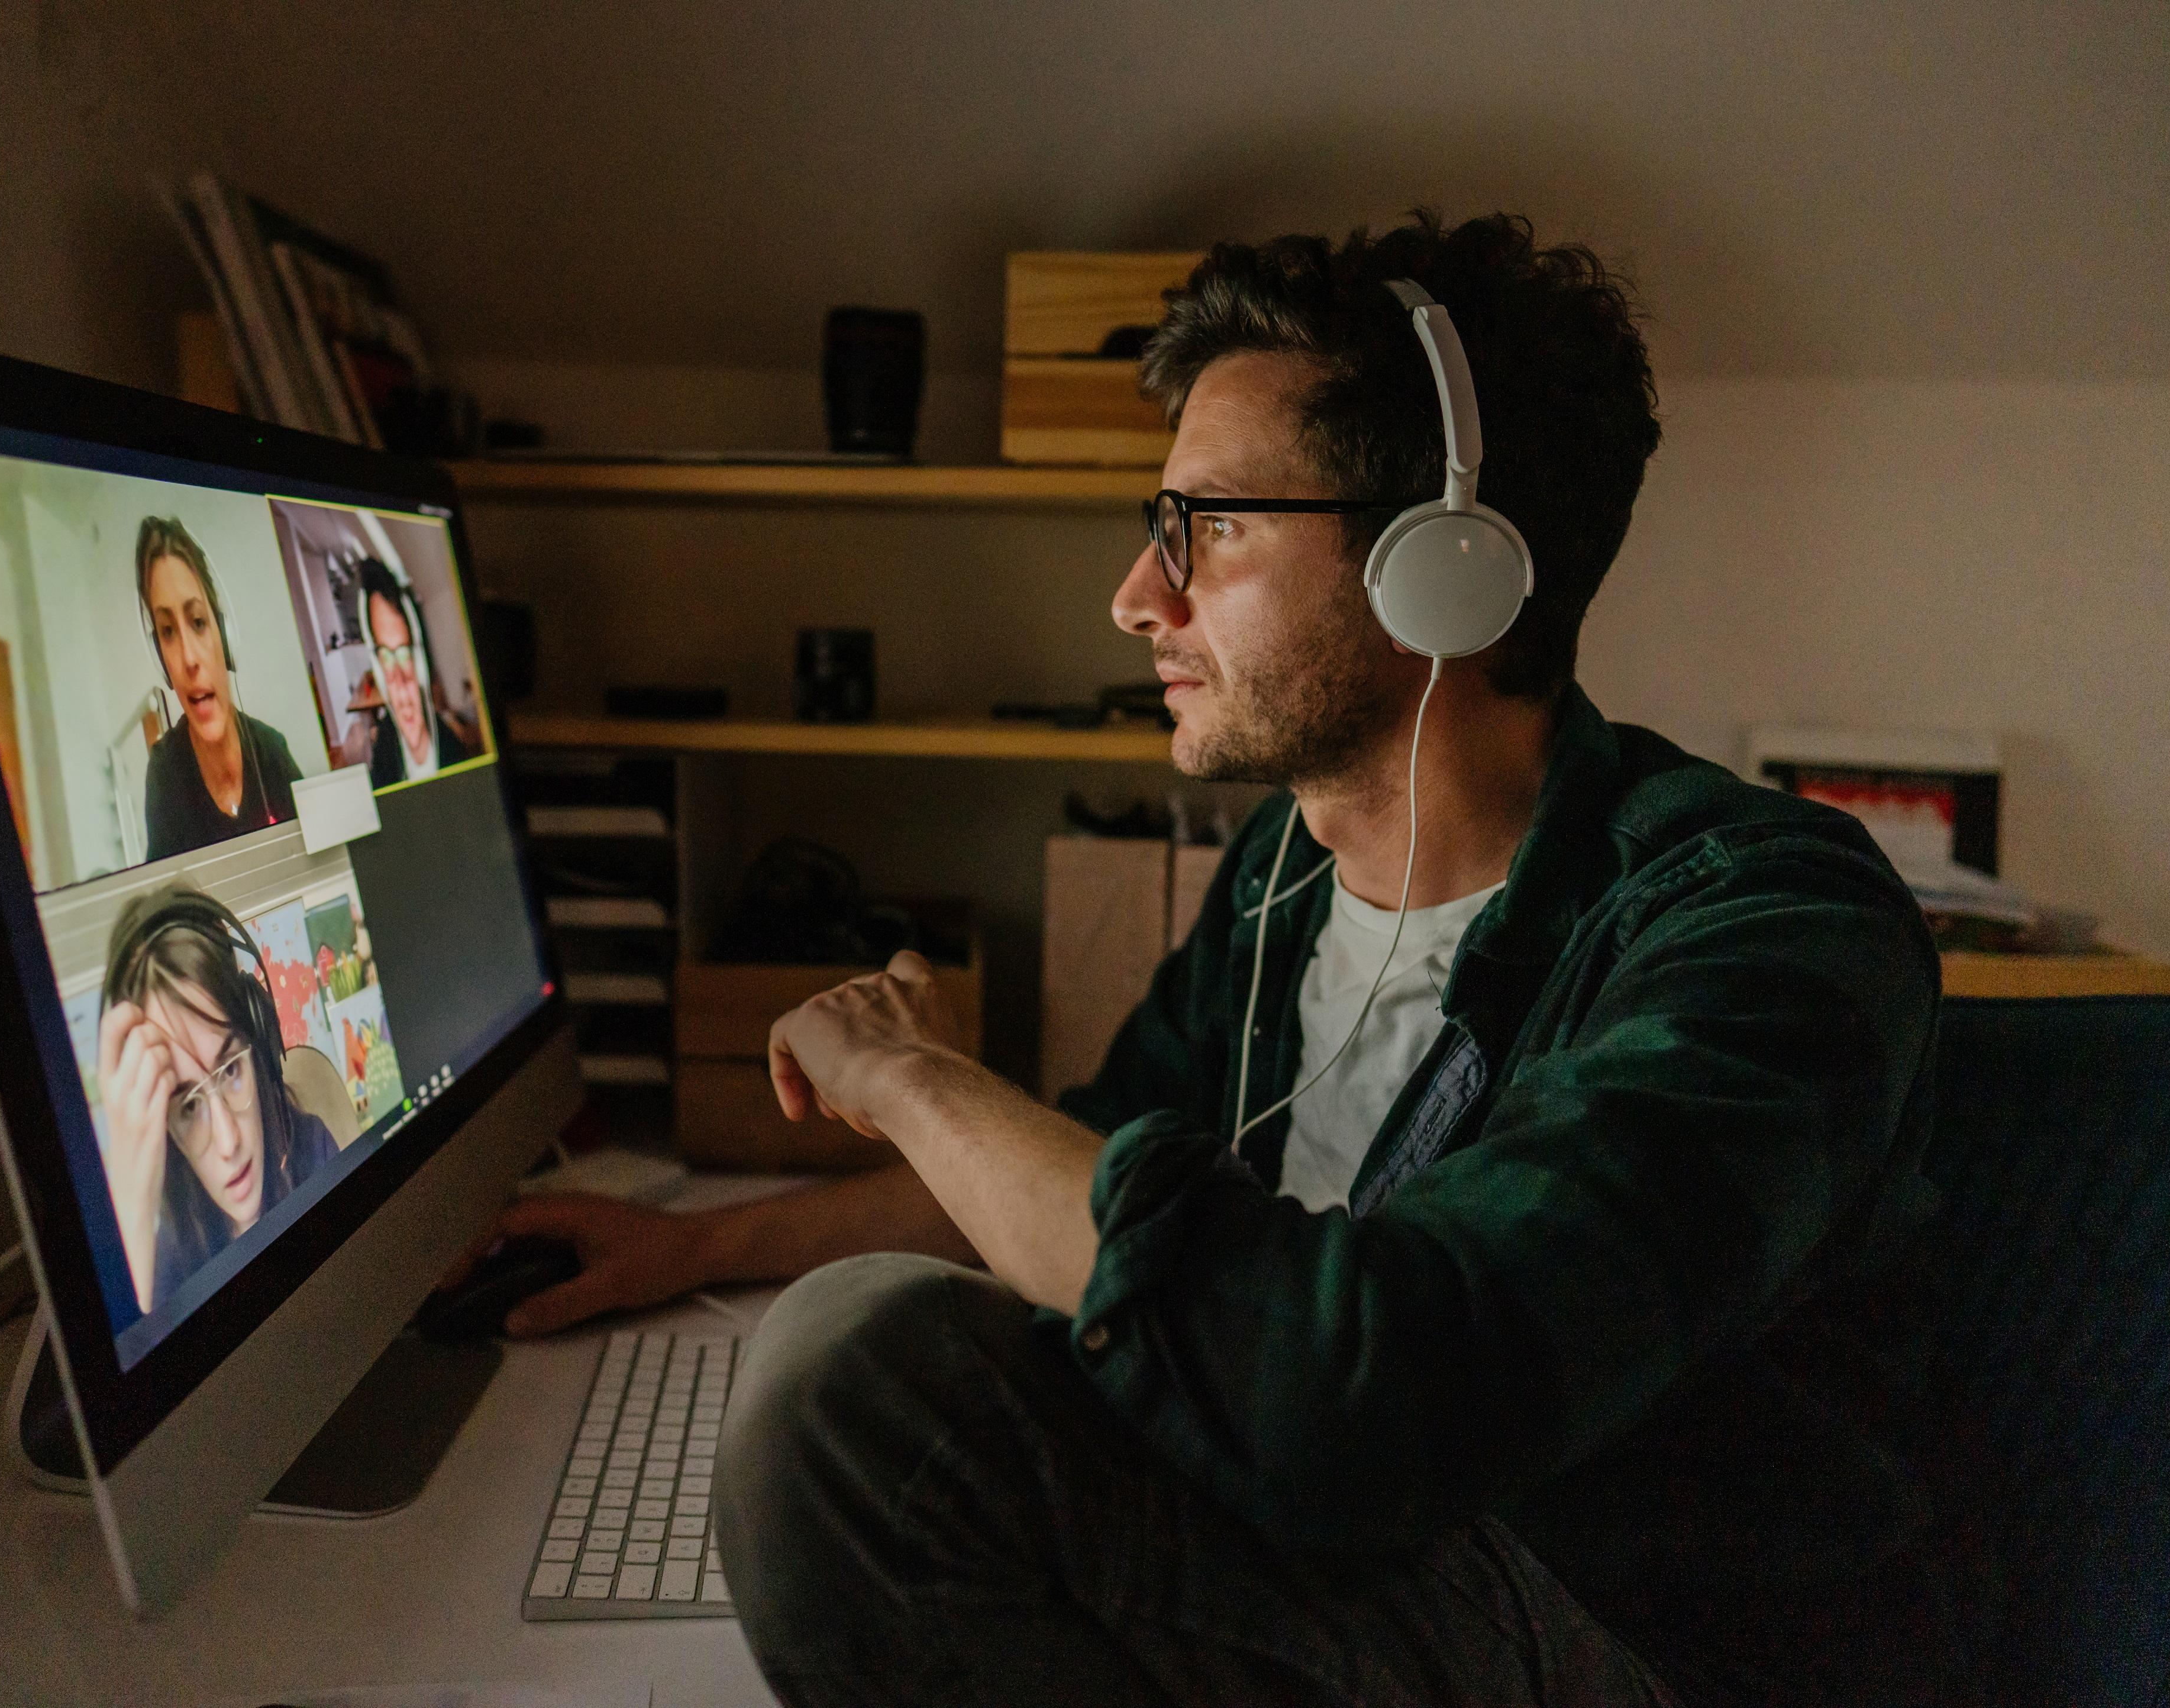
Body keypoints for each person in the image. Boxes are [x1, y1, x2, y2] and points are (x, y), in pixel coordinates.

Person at [456, 213, 1994, 1705]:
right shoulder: (1284, 874)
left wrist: (917, 1074)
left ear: (1438, 567)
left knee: (860, 1394)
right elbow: (1096, 1179)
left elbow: (1368, 1397)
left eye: (1209, 526)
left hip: (1639, 1647)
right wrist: (695, 1245)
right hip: (1336, 1575)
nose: (1139, 594)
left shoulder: (1762, 924)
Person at [96, 884, 340, 1316]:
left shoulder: (314, 1153)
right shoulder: (165, 1266)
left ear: (260, 1043)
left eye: (231, 1070)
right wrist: (130, 1220)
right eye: (188, 1106)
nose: (229, 1142)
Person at [137, 516, 306, 860]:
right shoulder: (164, 774)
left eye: (198, 622)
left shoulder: (272, 751)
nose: (188, 659)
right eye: (168, 631)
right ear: (160, 658)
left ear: (225, 638)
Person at [354, 557, 473, 787]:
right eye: (386, 657)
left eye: (405, 654)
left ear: (420, 662)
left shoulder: (458, 757)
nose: (400, 681)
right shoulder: (381, 763)